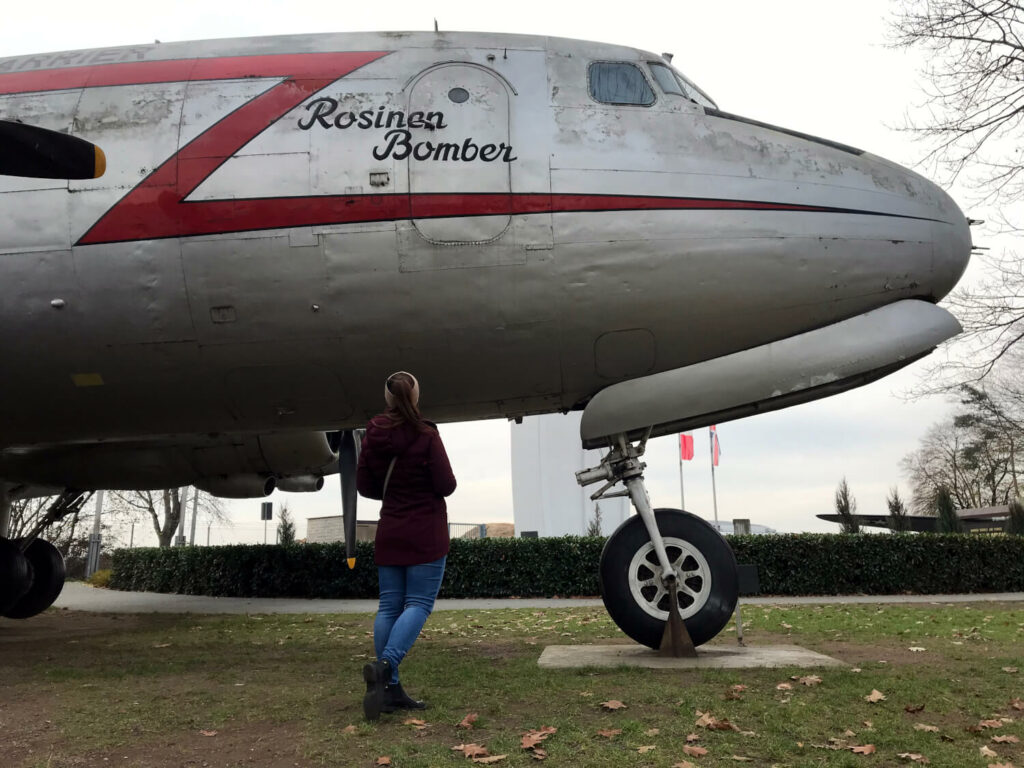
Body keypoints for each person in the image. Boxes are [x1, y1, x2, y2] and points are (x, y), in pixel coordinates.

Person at [356, 371, 457, 721]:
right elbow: (446, 484)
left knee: (389, 606)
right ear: (415, 397)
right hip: (425, 531)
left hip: (390, 529)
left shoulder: (372, 436)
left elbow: (366, 487)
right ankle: (386, 667)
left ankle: (389, 691)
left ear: (387, 399)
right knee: (418, 603)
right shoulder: (427, 434)